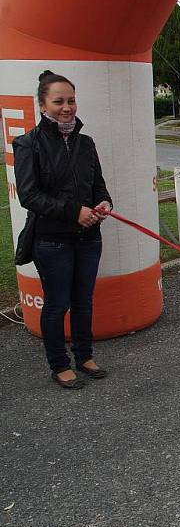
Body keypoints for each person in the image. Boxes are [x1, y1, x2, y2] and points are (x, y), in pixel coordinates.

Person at [13, 71, 113, 390]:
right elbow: (30, 195)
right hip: (51, 240)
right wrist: (74, 212)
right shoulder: (28, 144)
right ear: (43, 104)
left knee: (84, 300)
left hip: (88, 238)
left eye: (71, 100)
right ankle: (59, 364)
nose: (67, 107)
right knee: (58, 304)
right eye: (58, 101)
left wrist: (104, 204)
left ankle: (84, 355)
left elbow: (98, 187)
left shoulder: (86, 143)